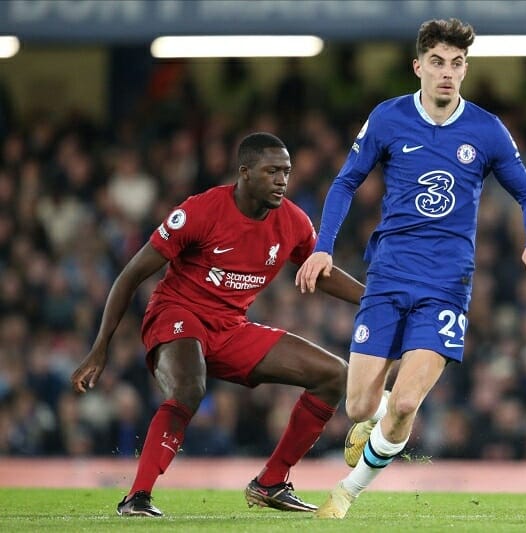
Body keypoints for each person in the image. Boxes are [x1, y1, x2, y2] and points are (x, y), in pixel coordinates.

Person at [296, 18, 526, 519]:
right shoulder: (388, 118)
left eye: (456, 63)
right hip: (388, 275)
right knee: (359, 407)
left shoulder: (486, 130)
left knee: (407, 404)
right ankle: (379, 414)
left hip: (446, 285)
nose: (447, 72)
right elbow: (345, 182)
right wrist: (324, 247)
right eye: (437, 62)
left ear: (465, 70)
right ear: (418, 67)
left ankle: (347, 491)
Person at [71, 132, 364, 517]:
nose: (282, 180)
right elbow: (129, 276)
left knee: (333, 374)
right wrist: (100, 347)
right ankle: (137, 496)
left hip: (230, 327)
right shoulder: (201, 211)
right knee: (190, 389)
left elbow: (319, 272)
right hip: (177, 314)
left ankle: (271, 482)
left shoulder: (293, 221)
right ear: (244, 173)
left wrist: (373, 299)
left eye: (286, 172)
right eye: (272, 171)